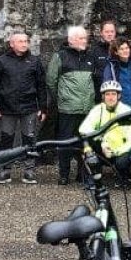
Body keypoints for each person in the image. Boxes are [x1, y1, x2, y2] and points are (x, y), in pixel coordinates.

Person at [0, 32, 47, 184]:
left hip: (29, 108)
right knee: (6, 140)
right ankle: (4, 170)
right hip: (7, 108)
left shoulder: (34, 61)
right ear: (12, 44)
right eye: (20, 41)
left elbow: (41, 86)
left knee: (29, 140)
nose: (24, 44)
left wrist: (43, 107)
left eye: (26, 41)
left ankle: (29, 171)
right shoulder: (1, 61)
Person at [46, 26, 97, 185]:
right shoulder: (60, 56)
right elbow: (51, 81)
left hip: (87, 108)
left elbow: (94, 80)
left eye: (85, 38)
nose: (84, 41)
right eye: (81, 38)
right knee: (65, 143)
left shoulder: (90, 56)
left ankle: (83, 174)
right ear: (71, 40)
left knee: (86, 143)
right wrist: (62, 98)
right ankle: (64, 174)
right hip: (68, 109)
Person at [78, 80, 131, 184]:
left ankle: (124, 175)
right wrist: (102, 142)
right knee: (86, 143)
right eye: (107, 94)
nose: (110, 97)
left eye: (113, 94)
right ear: (103, 96)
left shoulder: (126, 111)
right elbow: (83, 129)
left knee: (122, 163)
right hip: (103, 147)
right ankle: (93, 175)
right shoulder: (98, 109)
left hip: (121, 150)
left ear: (119, 96)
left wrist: (116, 151)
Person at [103, 38, 131, 108]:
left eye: (127, 48)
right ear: (116, 52)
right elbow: (107, 88)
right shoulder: (111, 67)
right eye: (121, 49)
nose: (125, 51)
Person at [90, 20, 119, 96]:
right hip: (100, 93)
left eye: (112, 31)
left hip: (119, 93)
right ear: (101, 33)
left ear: (115, 33)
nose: (110, 34)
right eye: (106, 32)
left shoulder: (121, 49)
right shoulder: (94, 50)